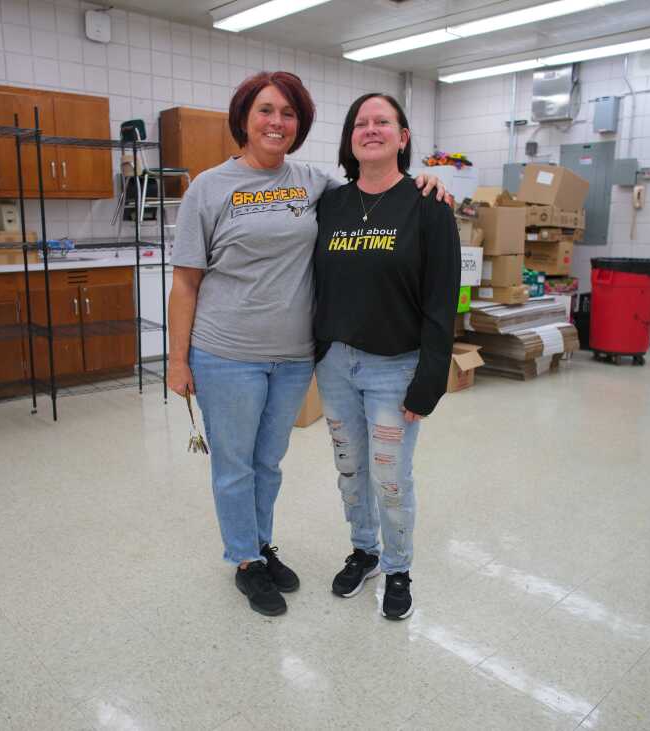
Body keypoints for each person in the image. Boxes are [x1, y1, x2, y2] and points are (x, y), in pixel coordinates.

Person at [168, 72, 449, 617]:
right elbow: (185, 281)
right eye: (266, 111)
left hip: (296, 358)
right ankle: (247, 560)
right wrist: (177, 360)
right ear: (244, 119)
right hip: (227, 353)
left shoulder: (314, 184)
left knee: (270, 463)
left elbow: (384, 194)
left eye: (288, 114)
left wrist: (431, 180)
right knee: (235, 464)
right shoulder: (210, 187)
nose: (277, 122)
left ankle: (279, 548)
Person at [313, 93, 460, 620]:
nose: (370, 129)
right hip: (335, 365)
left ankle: (399, 569)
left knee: (390, 477)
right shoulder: (330, 203)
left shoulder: (428, 205)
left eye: (383, 122)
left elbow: (444, 298)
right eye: (360, 122)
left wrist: (431, 379)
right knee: (350, 470)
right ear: (350, 138)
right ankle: (365, 551)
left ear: (402, 137)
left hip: (395, 368)